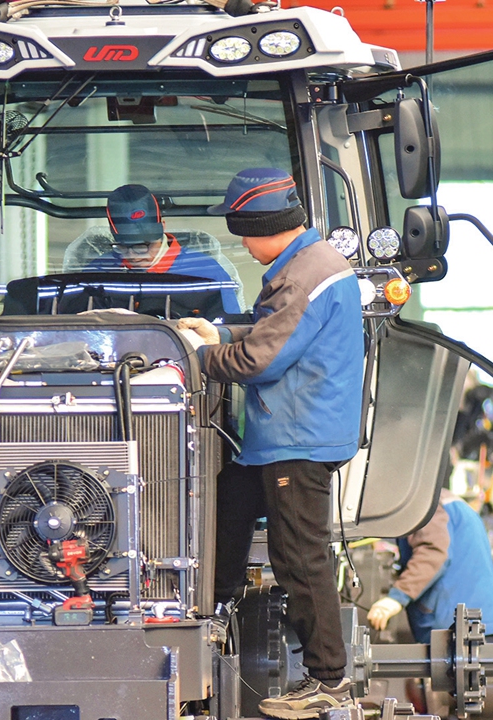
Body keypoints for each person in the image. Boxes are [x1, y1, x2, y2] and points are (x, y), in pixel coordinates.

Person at [179, 167, 363, 719]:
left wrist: (195, 356)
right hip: (277, 436)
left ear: (265, 226)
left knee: (299, 556)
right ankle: (208, 616)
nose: (240, 242)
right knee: (225, 511)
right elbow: (272, 333)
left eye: (243, 231)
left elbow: (260, 359)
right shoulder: (306, 263)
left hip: (297, 438)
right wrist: (221, 333)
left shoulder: (305, 275)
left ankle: (329, 680)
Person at [365, 488, 493, 644]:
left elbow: (433, 552)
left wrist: (396, 597)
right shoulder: (449, 502)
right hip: (481, 624)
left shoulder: (426, 505)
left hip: (458, 630)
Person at [82, 183, 242, 313]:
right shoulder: (98, 272)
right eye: (123, 247)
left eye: (142, 246)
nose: (133, 256)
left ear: (163, 228)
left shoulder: (206, 272)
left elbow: (228, 330)